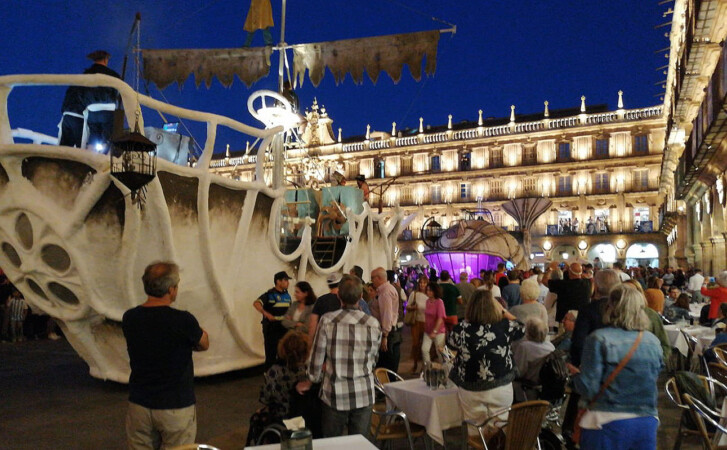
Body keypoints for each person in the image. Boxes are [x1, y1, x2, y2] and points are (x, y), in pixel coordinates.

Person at [122, 262, 210, 449]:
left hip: (140, 404)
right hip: (176, 405)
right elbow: (204, 343)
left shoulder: (130, 317)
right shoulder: (183, 320)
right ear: (171, 289)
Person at [570, 284, 663, 449]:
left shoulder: (599, 339)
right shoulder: (652, 341)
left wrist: (574, 376)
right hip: (646, 421)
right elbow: (655, 374)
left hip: (606, 420)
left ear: (610, 307)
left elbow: (589, 388)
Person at [302, 275, 381, 438]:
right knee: (360, 445)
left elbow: (316, 358)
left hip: (335, 393)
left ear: (339, 296)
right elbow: (373, 359)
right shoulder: (373, 324)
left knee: (332, 443)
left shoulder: (328, 321)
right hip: (363, 393)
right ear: (361, 296)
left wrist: (312, 379)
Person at [447, 290, 524, 436]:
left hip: (470, 386)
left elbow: (450, 345)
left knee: (475, 430)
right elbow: (521, 327)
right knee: (501, 429)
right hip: (501, 385)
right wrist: (503, 311)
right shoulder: (505, 326)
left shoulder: (461, 330)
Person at [60, 50, 120, 149]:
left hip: (92, 110)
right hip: (108, 109)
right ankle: (107, 158)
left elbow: (80, 93)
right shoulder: (113, 75)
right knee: (110, 137)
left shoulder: (85, 75)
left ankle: (92, 157)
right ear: (105, 60)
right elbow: (118, 92)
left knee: (93, 137)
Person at [258, 331, 309, 422]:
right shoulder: (307, 371)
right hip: (305, 417)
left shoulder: (274, 372)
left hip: (281, 418)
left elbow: (265, 398)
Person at [254, 271, 292, 368]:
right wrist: (266, 314)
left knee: (283, 355)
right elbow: (256, 303)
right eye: (285, 280)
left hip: (284, 329)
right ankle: (268, 378)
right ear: (278, 282)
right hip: (272, 329)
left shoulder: (287, 296)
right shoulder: (270, 294)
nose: (288, 283)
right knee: (271, 356)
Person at [512, 318, 555, 402]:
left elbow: (518, 372)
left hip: (525, 388)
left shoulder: (525, 347)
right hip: (543, 387)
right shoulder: (550, 347)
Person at [370, 267, 401, 372]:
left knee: (386, 365)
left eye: (372, 278)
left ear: (378, 278)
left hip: (388, 333)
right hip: (390, 331)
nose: (371, 281)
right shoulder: (388, 289)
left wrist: (385, 336)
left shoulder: (385, 292)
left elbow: (386, 315)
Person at [406, 275, 429, 374]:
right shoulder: (414, 294)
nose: (422, 285)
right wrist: (413, 307)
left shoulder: (429, 295)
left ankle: (424, 366)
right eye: (420, 283)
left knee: (425, 345)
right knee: (415, 344)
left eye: (424, 283)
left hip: (427, 322)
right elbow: (407, 306)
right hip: (416, 322)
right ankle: (415, 364)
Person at [421, 282, 447, 366]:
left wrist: (435, 331)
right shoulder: (427, 301)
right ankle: (428, 367)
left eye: (430, 291)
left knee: (439, 352)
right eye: (427, 290)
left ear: (435, 291)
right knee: (424, 349)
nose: (428, 292)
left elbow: (440, 318)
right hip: (428, 330)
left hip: (438, 331)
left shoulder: (439, 302)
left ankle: (445, 369)